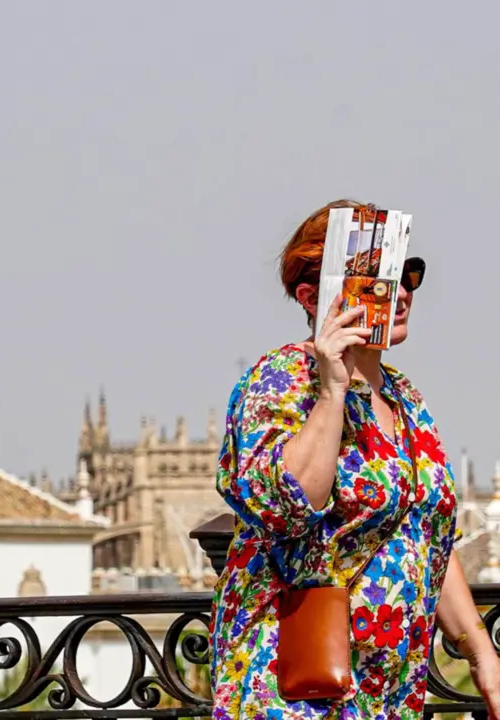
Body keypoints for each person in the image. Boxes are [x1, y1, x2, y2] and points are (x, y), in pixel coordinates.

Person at [209, 199, 500, 719]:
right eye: (381, 277)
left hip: (387, 689)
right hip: (294, 686)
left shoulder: (405, 398)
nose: (402, 292)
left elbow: (426, 534)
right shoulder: (280, 379)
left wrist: (480, 651)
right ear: (309, 296)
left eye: (409, 273)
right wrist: (331, 392)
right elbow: (289, 504)